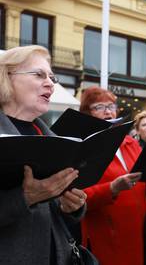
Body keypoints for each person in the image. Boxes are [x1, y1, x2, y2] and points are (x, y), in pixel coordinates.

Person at [0, 45, 86, 264]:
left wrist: (72, 206)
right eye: (39, 75)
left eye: (51, 77)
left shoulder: (48, 136)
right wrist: (25, 198)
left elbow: (53, 210)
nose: (50, 83)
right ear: (6, 78)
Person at [79, 86, 145, 265]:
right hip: (105, 233)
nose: (108, 111)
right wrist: (112, 188)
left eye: (111, 106)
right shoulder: (84, 147)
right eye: (99, 107)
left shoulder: (130, 142)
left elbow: (144, 180)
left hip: (136, 231)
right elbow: (78, 197)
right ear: (87, 113)